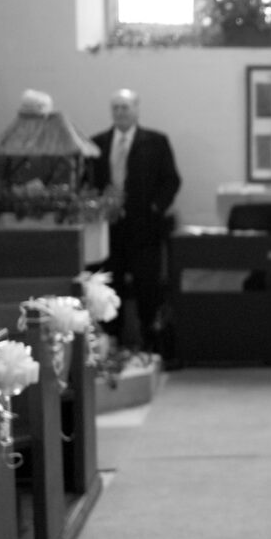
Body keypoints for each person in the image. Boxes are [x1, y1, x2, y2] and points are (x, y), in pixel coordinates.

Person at [85, 89, 181, 359]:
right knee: (108, 286)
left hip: (144, 229)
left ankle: (149, 345)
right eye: (115, 107)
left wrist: (155, 207)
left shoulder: (155, 142)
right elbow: (89, 183)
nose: (120, 112)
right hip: (109, 231)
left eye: (125, 107)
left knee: (147, 287)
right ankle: (110, 343)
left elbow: (171, 180)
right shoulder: (97, 144)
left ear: (137, 109)